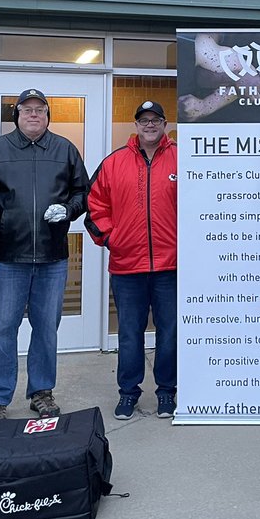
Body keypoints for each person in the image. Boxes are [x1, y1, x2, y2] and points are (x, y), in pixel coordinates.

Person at [0, 88, 90, 428]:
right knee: (3, 329)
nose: (33, 115)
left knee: (46, 328)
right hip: (10, 257)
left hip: (52, 258)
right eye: (27, 109)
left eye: (40, 109)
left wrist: (67, 210)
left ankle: (41, 392)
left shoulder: (64, 149)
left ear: (48, 115)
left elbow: (85, 193)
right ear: (17, 115)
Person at [86, 100, 178, 421]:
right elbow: (94, 206)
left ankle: (167, 391)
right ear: (135, 125)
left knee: (170, 333)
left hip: (171, 267)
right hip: (127, 267)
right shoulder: (114, 163)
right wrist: (113, 239)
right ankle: (128, 393)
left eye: (156, 119)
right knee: (129, 333)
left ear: (164, 124)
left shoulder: (183, 159)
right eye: (144, 120)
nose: (150, 125)